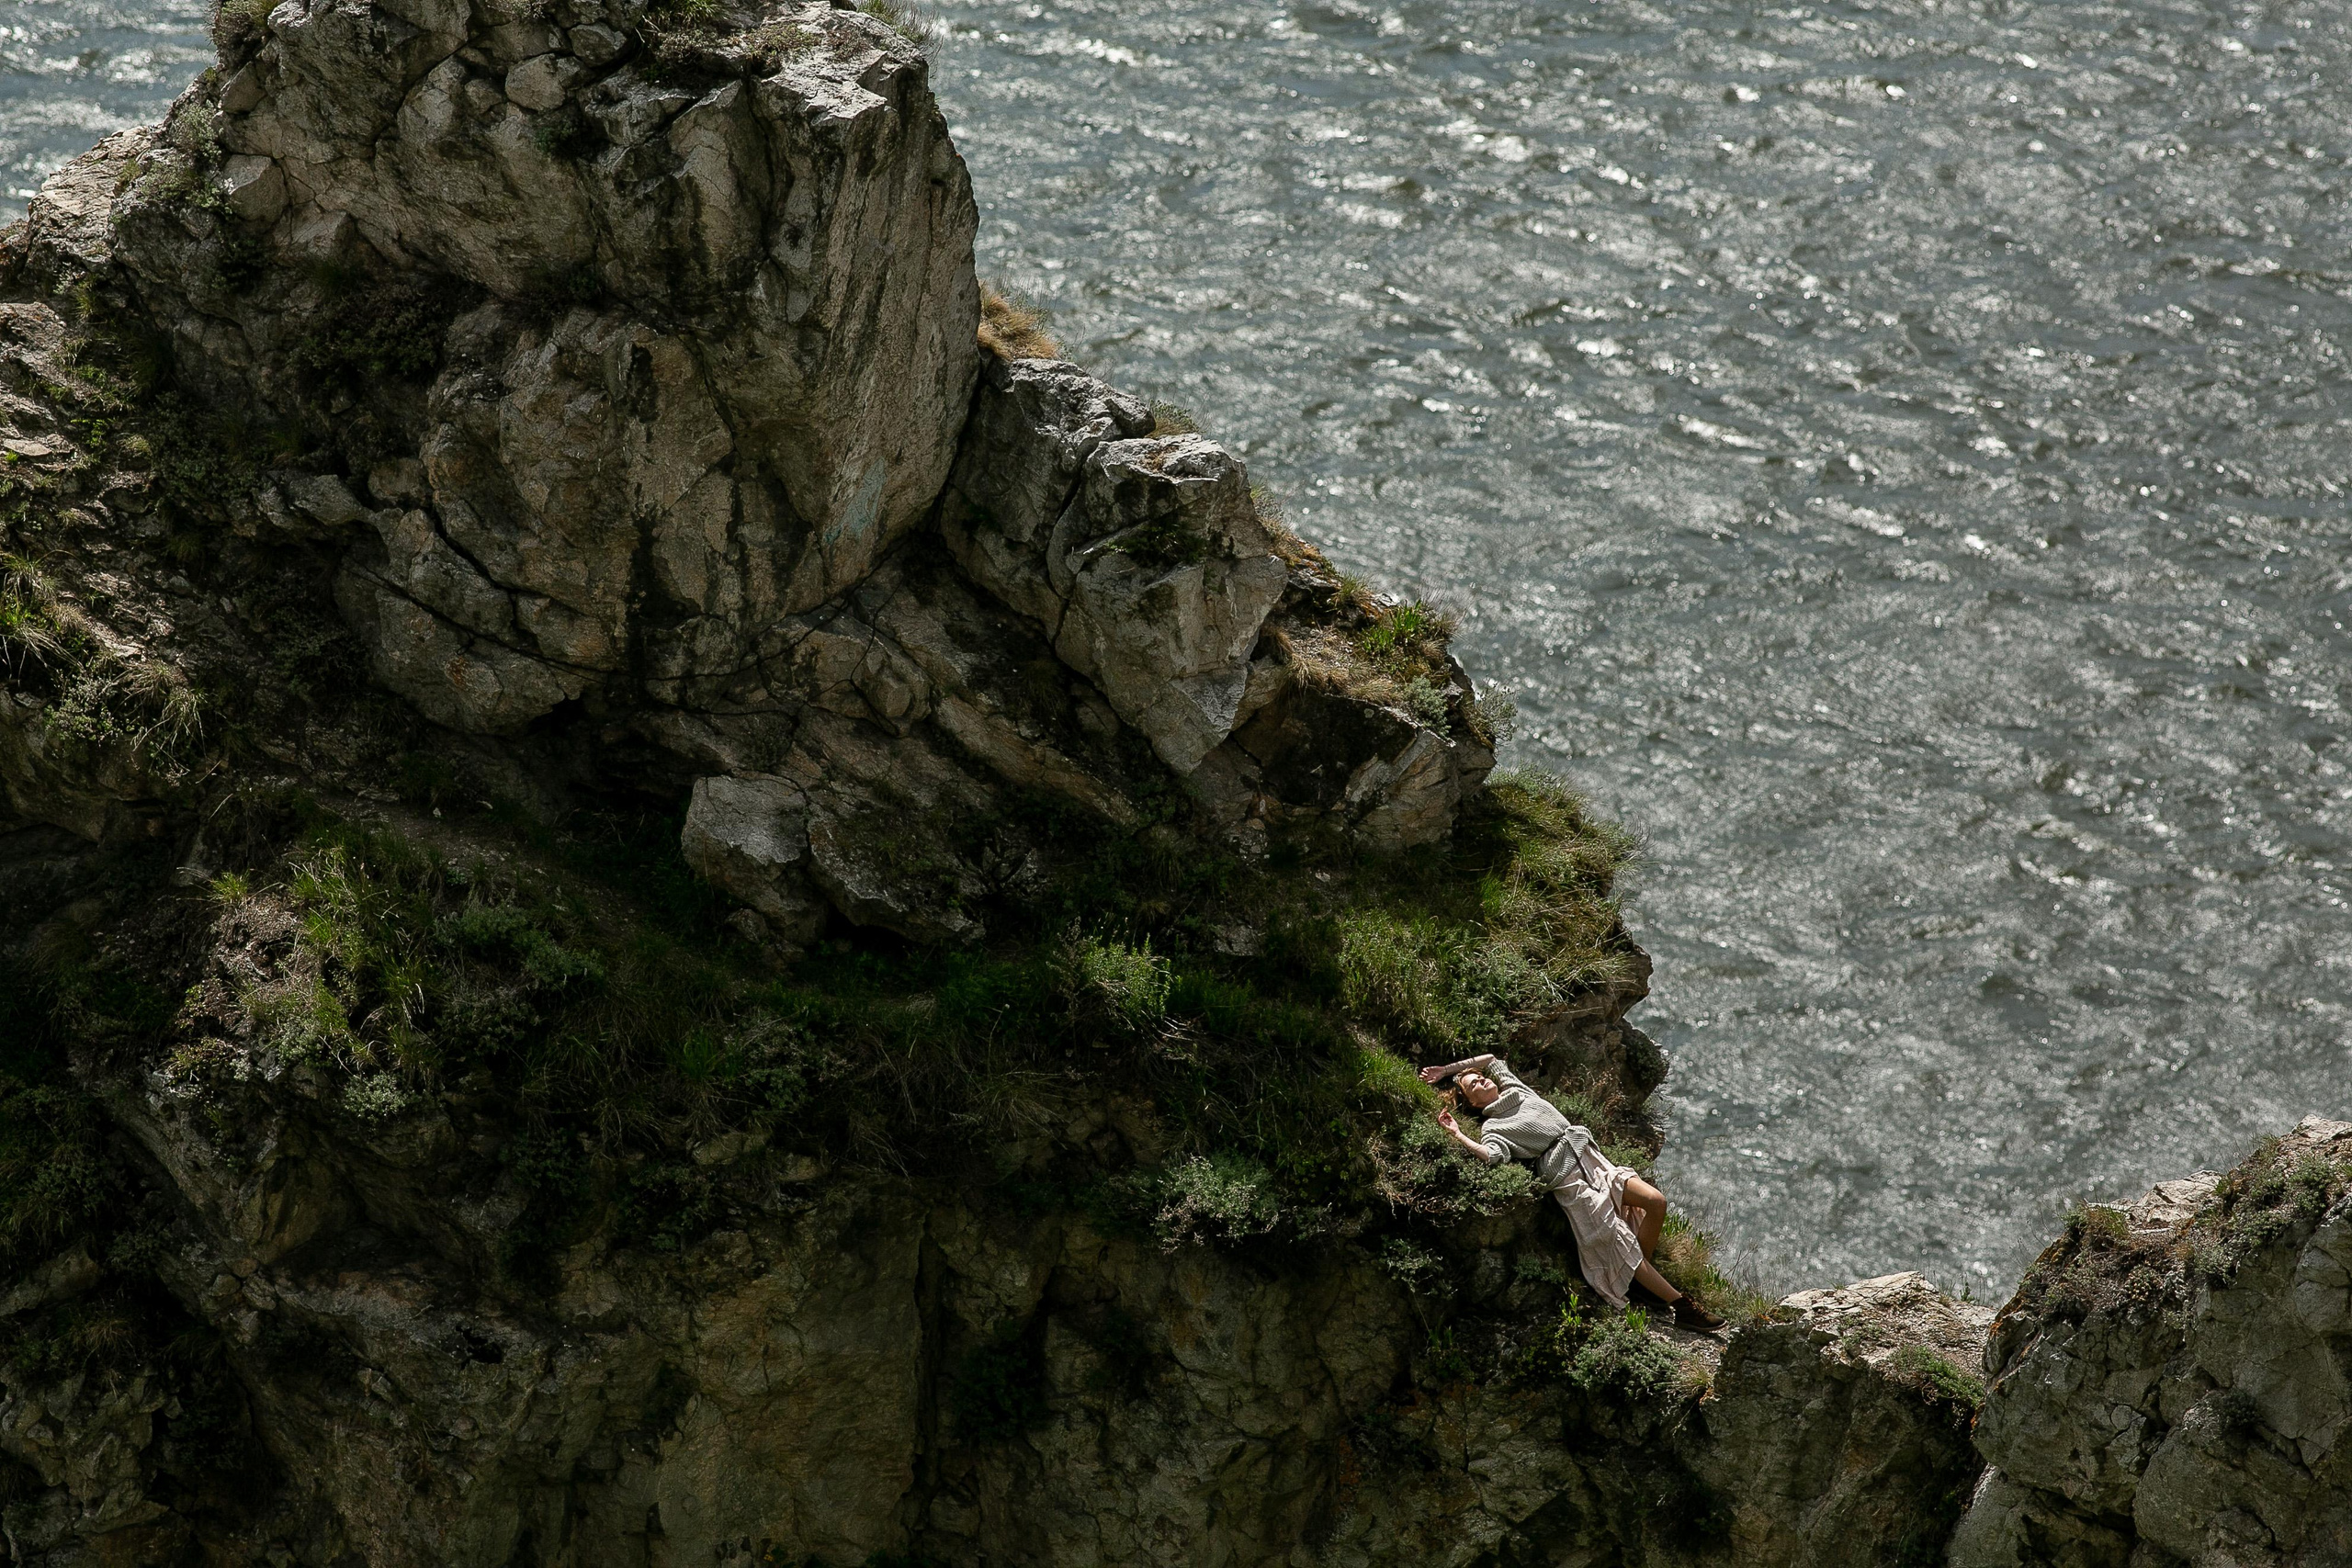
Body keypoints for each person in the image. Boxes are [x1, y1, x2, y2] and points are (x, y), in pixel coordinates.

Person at [1421, 1053, 1724, 1332]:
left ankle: (1640, 1279)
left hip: (1595, 1162)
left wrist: (1445, 1071)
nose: (1483, 1079)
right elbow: (1491, 1155)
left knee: (1655, 1202)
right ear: (1472, 1102)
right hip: (1571, 1183)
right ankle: (1682, 1308)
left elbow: (1491, 1058)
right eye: (1474, 1083)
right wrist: (1458, 1134)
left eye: (1481, 1076)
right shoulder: (1494, 1127)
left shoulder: (1517, 1089)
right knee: (1621, 1242)